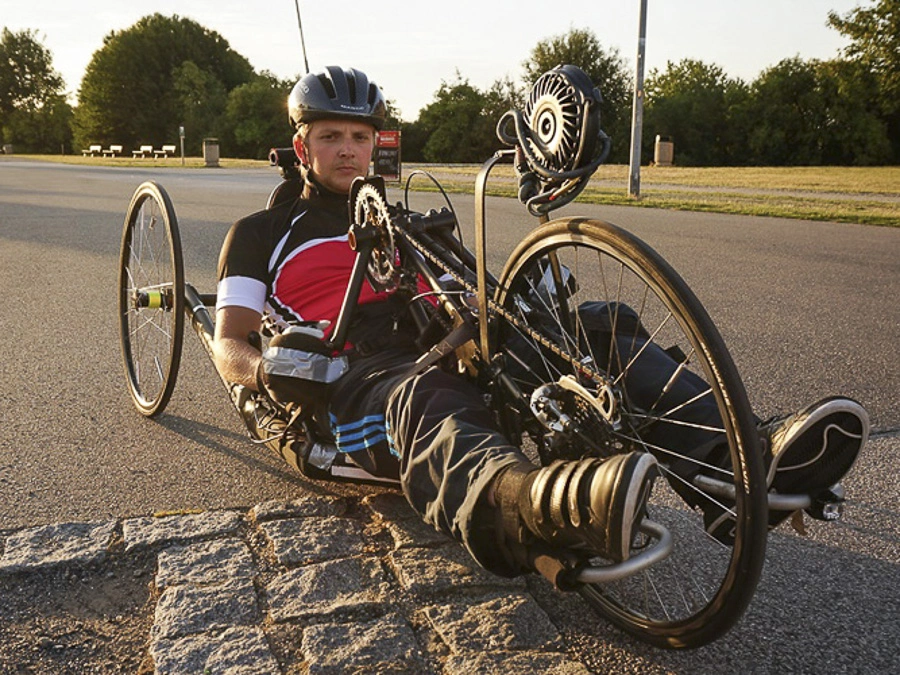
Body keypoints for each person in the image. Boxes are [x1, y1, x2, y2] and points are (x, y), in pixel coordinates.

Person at [212, 66, 869, 579]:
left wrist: (508, 310)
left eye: (360, 137)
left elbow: (471, 292)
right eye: (331, 137)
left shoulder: (403, 222)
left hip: (446, 340)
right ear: (302, 145)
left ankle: (739, 460)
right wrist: (265, 370)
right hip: (354, 375)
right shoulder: (261, 232)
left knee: (597, 326)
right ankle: (533, 510)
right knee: (427, 397)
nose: (349, 151)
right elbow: (229, 342)